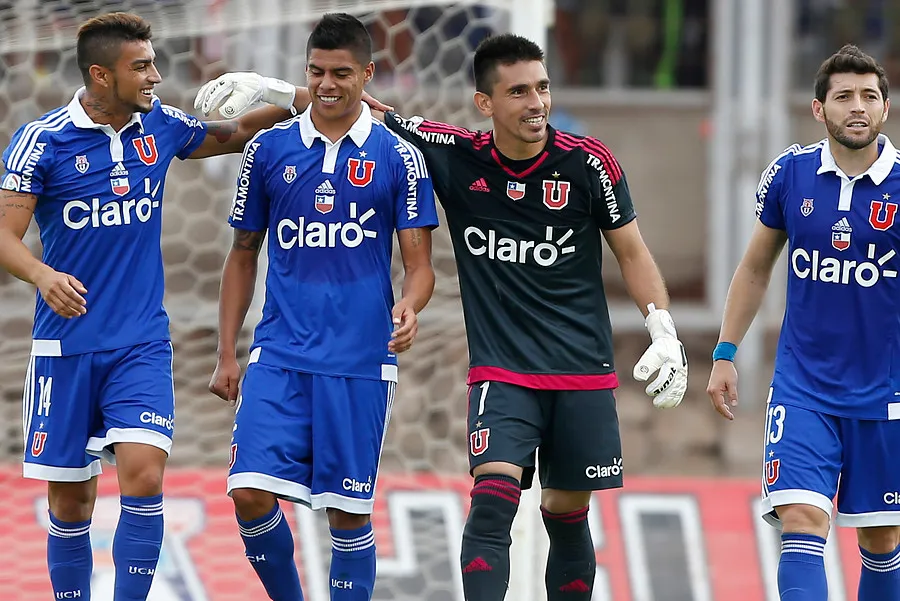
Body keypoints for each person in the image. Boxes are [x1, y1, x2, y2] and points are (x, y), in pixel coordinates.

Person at [196, 32, 687, 601]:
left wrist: (663, 329)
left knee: (565, 509)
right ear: (486, 104)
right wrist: (291, 95)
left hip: (581, 366)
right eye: (520, 91)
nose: (537, 104)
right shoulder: (452, 155)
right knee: (492, 501)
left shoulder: (589, 163)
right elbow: (366, 111)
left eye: (543, 88)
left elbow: (631, 250)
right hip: (501, 370)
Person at [0, 12, 330, 601]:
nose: (156, 74)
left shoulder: (163, 128)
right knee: (71, 499)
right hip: (65, 348)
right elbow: (4, 234)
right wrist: (42, 274)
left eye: (154, 61)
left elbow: (235, 134)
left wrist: (286, 94)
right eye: (141, 66)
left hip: (141, 344)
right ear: (101, 76)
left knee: (145, 476)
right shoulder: (42, 142)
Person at [206, 13, 437, 601]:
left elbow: (419, 266)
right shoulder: (268, 149)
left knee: (347, 515)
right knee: (249, 491)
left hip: (359, 360)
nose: (327, 84)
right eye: (316, 72)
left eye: (341, 73)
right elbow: (242, 253)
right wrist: (226, 352)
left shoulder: (398, 157)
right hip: (279, 352)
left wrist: (409, 306)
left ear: (368, 73)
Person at [706, 44, 900, 601]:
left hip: (884, 394)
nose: (857, 106)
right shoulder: (790, 174)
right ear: (820, 109)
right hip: (803, 388)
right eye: (844, 96)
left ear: (885, 108)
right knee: (802, 522)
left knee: (882, 538)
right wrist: (724, 353)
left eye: (869, 96)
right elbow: (754, 268)